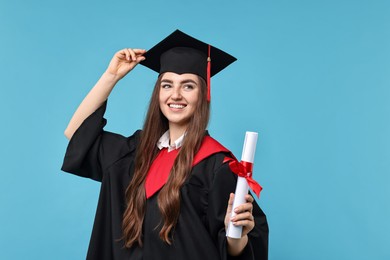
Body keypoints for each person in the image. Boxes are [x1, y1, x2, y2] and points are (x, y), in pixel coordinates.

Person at [61, 30, 268, 260]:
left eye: (188, 86)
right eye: (167, 85)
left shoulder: (217, 166)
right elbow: (76, 134)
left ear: (203, 94)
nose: (176, 95)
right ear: (158, 92)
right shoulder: (134, 151)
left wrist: (235, 236)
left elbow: (237, 250)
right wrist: (111, 76)